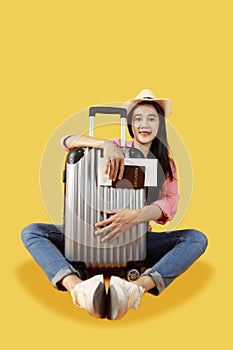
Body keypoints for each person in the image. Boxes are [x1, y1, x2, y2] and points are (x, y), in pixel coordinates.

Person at [21, 89, 208, 320]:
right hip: (89, 232)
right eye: (138, 118)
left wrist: (134, 216)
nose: (144, 124)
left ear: (160, 125)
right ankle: (78, 288)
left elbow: (169, 203)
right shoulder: (116, 145)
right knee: (32, 232)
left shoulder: (166, 164)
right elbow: (66, 140)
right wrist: (106, 145)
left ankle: (135, 288)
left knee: (196, 238)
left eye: (152, 119)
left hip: (136, 239)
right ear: (130, 124)